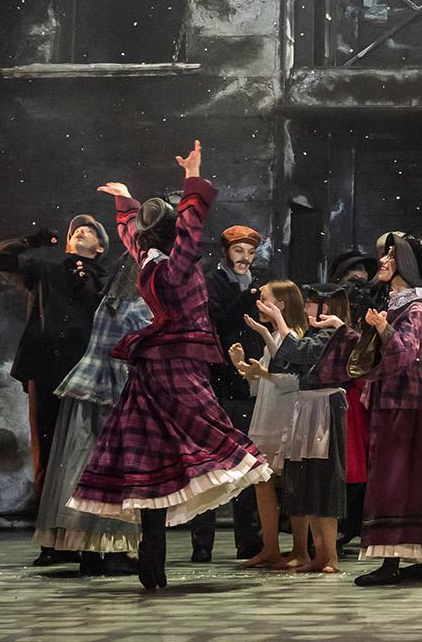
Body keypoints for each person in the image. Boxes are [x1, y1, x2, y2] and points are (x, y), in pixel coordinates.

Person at [68, 141, 273, 591]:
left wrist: (126, 202)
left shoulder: (146, 262)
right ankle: (154, 557)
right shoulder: (175, 267)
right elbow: (191, 226)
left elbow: (132, 233)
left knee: (151, 462)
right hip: (176, 369)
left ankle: (152, 556)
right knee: (199, 440)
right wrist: (193, 177)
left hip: (150, 372)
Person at [313, 231, 422, 586]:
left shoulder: (416, 307)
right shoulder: (396, 304)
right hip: (390, 399)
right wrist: (343, 328)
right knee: (396, 478)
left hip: (407, 402)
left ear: (404, 264)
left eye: (390, 257)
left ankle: (396, 560)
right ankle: (418, 558)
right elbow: (370, 354)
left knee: (397, 480)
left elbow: (405, 351)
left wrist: (382, 329)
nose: (382, 261)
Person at [0, 209, 109, 564]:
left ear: (100, 246)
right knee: (49, 454)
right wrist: (33, 241)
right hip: (47, 369)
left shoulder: (106, 279)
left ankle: (86, 536)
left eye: (89, 230)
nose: (81, 231)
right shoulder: (47, 270)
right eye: (77, 229)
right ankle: (52, 541)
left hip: (90, 374)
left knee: (87, 455)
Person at [29, 241, 151, 576]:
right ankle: (112, 551)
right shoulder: (137, 309)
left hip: (87, 390)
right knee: (112, 470)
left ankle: (89, 550)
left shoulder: (109, 304)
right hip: (113, 392)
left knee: (82, 466)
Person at [188, 222, 269, 565]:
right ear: (226, 252)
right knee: (210, 465)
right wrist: (246, 299)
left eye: (250, 252)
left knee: (248, 463)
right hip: (219, 383)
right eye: (239, 251)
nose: (245, 258)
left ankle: (249, 540)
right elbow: (217, 323)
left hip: (251, 381)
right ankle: (202, 543)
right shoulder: (212, 284)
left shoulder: (260, 284)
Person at [271, 285, 350, 574]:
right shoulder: (318, 333)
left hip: (324, 406)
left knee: (323, 478)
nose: (306, 309)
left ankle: (329, 556)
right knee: (310, 480)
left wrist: (279, 321)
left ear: (326, 307)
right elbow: (288, 361)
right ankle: (320, 554)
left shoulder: (332, 334)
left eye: (312, 304)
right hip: (309, 405)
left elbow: (304, 353)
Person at [229, 281, 308, 569]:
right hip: (268, 415)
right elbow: (262, 384)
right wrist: (245, 369)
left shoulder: (294, 336)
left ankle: (301, 548)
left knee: (293, 485)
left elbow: (293, 382)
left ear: (282, 305)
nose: (259, 304)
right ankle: (270, 547)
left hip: (288, 418)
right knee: (263, 483)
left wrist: (262, 372)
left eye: (265, 299)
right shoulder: (273, 336)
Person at [327, 248, 379, 555]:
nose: (358, 281)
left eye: (361, 276)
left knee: (360, 465)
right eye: (352, 276)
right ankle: (339, 526)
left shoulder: (368, 308)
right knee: (344, 464)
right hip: (339, 394)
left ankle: (353, 525)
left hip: (361, 394)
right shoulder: (328, 305)